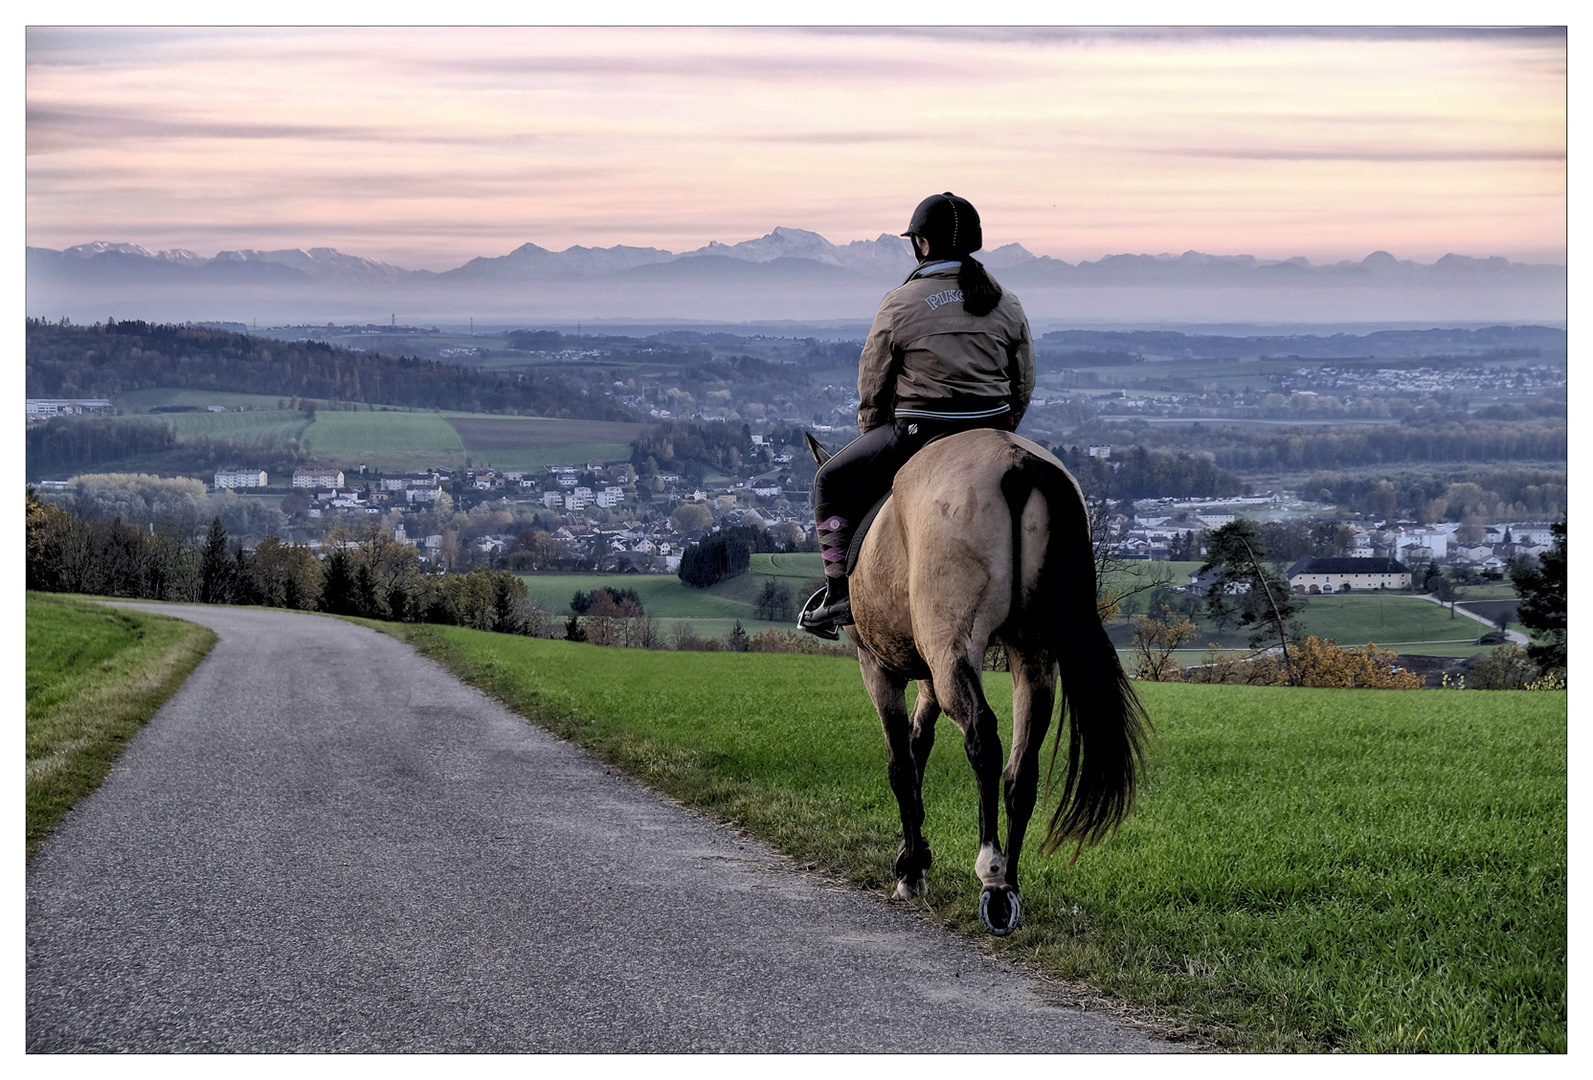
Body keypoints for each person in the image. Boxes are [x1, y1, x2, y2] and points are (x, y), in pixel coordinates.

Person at [798, 192, 1035, 638]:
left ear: (922, 245)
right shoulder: (1007, 302)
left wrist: (874, 438)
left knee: (828, 479)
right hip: (994, 432)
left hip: (916, 433)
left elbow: (873, 389)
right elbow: (1023, 384)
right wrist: (999, 433)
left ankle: (837, 596)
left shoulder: (901, 302)